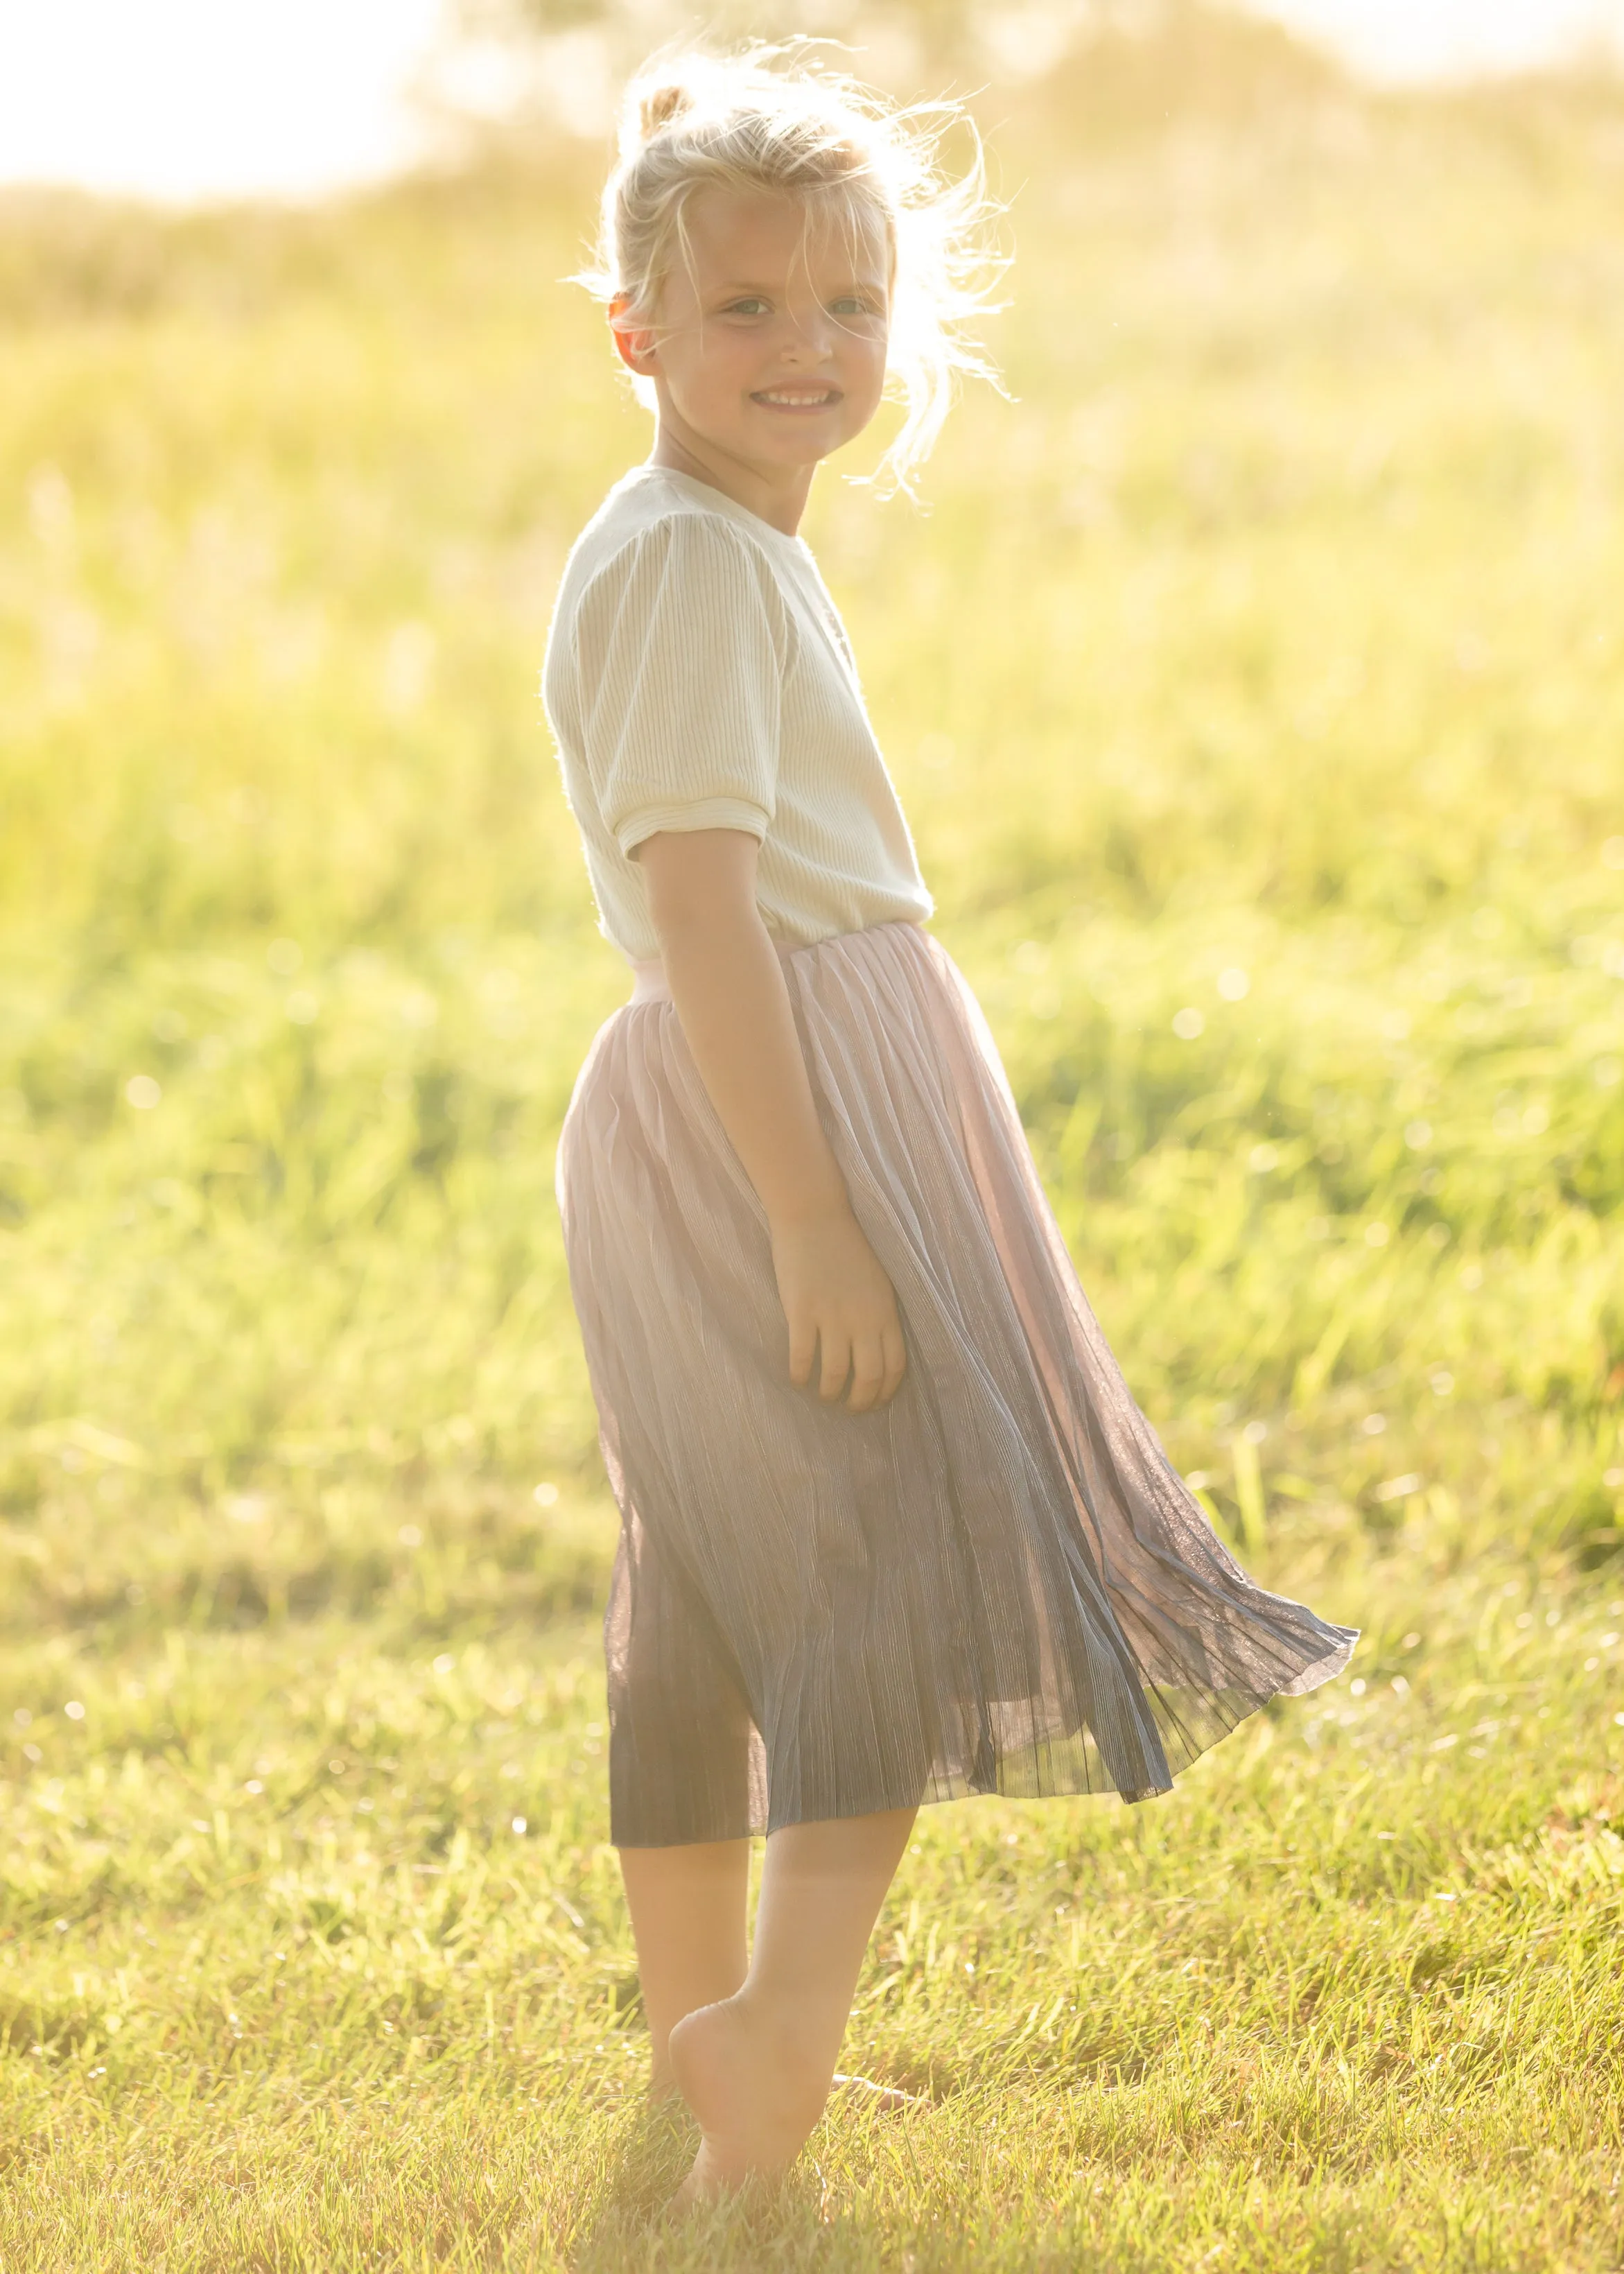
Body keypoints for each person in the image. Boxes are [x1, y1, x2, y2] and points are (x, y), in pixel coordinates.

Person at [541, 47, 1356, 2212]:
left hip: (711, 1091)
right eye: (745, 311)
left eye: (845, 311)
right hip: (785, 1096)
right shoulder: (701, 568)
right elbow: (705, 896)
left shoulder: (686, 541)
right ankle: (781, 2042)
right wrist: (815, 1213)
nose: (806, 353)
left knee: (712, 1580)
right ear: (635, 329)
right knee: (883, 1567)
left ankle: (702, 2048)